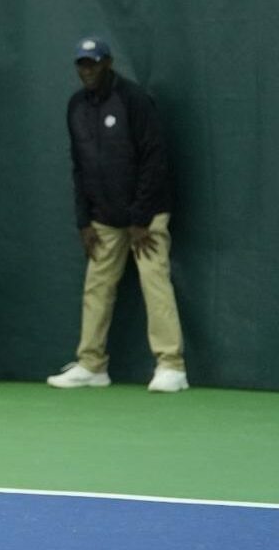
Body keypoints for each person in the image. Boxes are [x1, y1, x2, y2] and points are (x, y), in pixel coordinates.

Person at [47, 37, 188, 393]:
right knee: (97, 287)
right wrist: (84, 221)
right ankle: (92, 365)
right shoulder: (76, 107)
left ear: (108, 63)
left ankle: (172, 366)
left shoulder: (134, 100)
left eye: (93, 63)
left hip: (146, 218)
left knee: (154, 283)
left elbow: (154, 159)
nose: (87, 70)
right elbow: (79, 167)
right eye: (82, 64)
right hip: (104, 219)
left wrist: (141, 218)